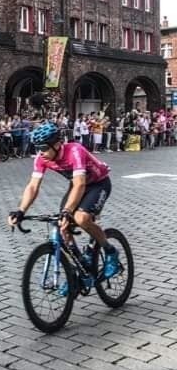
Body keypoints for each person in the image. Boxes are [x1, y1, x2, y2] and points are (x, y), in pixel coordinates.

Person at [7, 122, 120, 293]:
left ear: (57, 144)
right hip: (76, 185)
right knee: (62, 225)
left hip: (98, 184)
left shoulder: (74, 150)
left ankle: (110, 252)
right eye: (37, 147)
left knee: (81, 218)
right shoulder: (42, 158)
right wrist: (21, 210)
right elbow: (33, 186)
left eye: (44, 147)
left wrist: (68, 211)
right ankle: (82, 269)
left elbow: (80, 184)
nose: (40, 152)